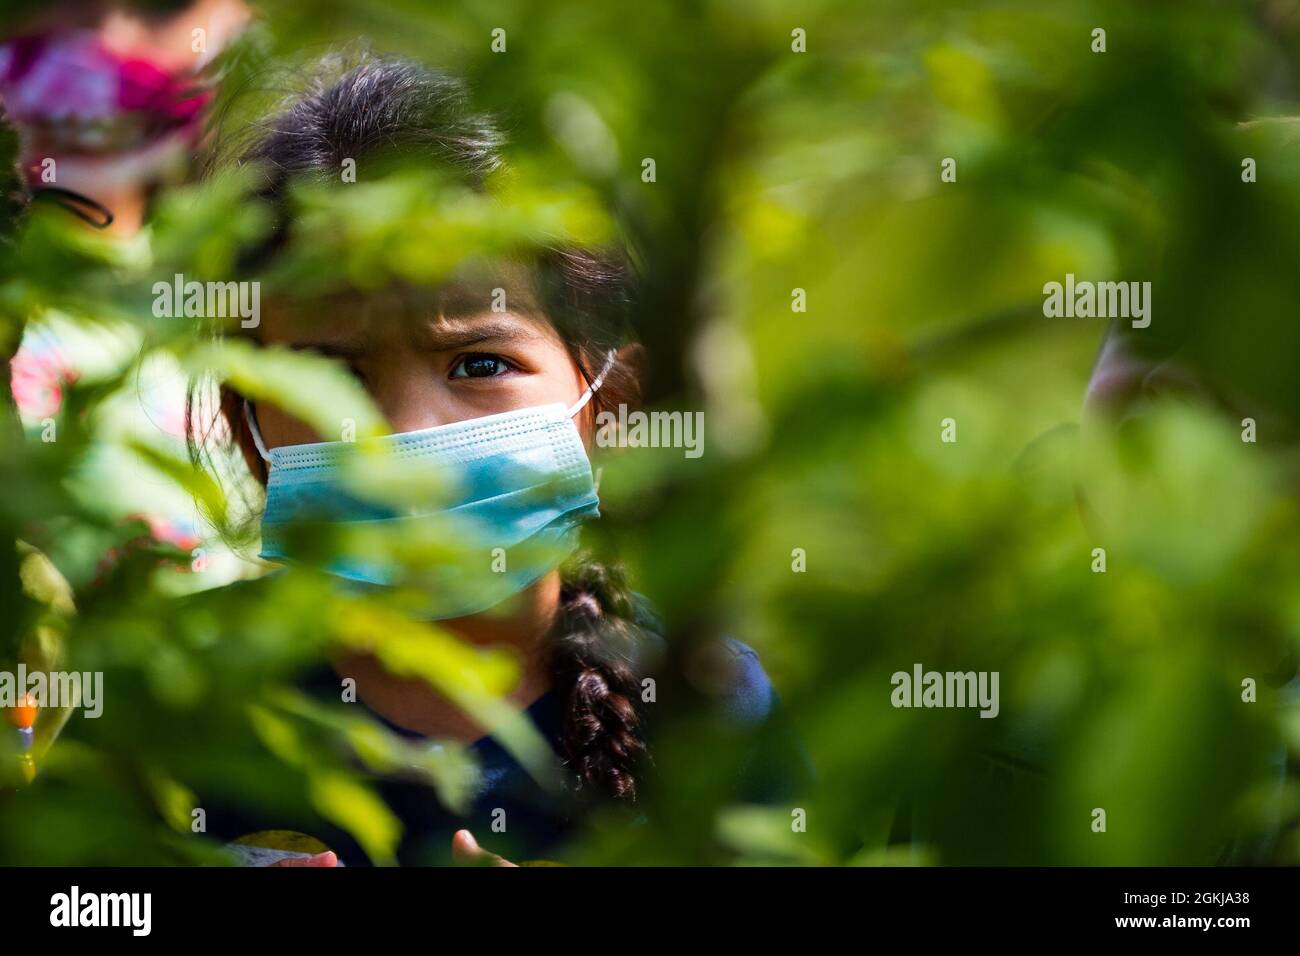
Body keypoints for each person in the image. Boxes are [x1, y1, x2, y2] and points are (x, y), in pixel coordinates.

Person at [186, 51, 811, 866]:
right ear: (250, 428)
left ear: (610, 403)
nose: (404, 434)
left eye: (480, 365)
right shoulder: (175, 705)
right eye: (334, 375)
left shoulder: (708, 709)